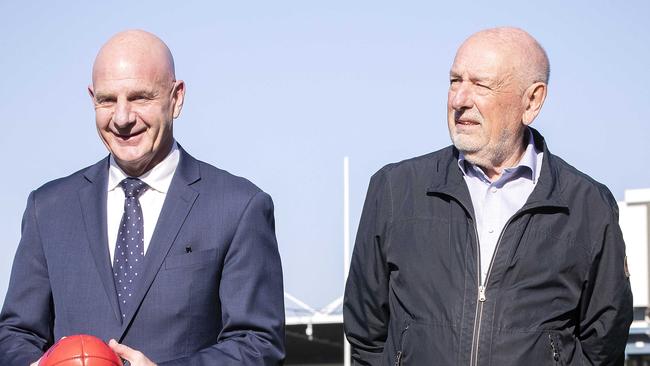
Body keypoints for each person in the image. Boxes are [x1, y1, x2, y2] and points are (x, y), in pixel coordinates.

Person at [343, 27, 633, 365]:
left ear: (532, 100)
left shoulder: (588, 205)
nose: (459, 100)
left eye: (480, 85)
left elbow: (604, 343)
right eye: (455, 81)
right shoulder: (394, 189)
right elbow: (366, 332)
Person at [0, 30, 285, 366]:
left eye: (139, 98)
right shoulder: (46, 208)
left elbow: (258, 344)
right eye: (107, 100)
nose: (122, 118)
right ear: (92, 98)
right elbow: (15, 334)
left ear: (176, 98)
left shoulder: (239, 207)